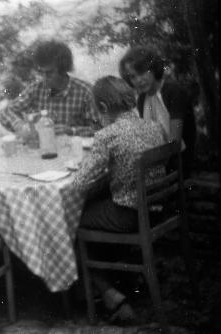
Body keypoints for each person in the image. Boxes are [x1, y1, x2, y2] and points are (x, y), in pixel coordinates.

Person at [72, 76, 167, 324]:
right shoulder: (152, 126)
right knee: (95, 207)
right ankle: (104, 285)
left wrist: (80, 166)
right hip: (155, 208)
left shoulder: (107, 135)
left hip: (127, 215)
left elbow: (80, 183)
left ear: (102, 108)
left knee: (67, 222)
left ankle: (109, 293)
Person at [0, 38, 101, 142]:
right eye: (41, 72)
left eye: (49, 73)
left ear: (63, 70)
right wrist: (19, 125)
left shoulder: (85, 91)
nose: (44, 78)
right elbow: (6, 112)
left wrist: (72, 130)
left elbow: (101, 129)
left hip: (77, 152)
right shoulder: (36, 89)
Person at [119, 45, 197, 176]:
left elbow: (175, 143)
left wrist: (143, 158)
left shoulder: (174, 91)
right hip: (158, 162)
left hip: (180, 164)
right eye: (133, 77)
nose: (139, 80)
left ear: (153, 68)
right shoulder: (142, 99)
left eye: (143, 72)